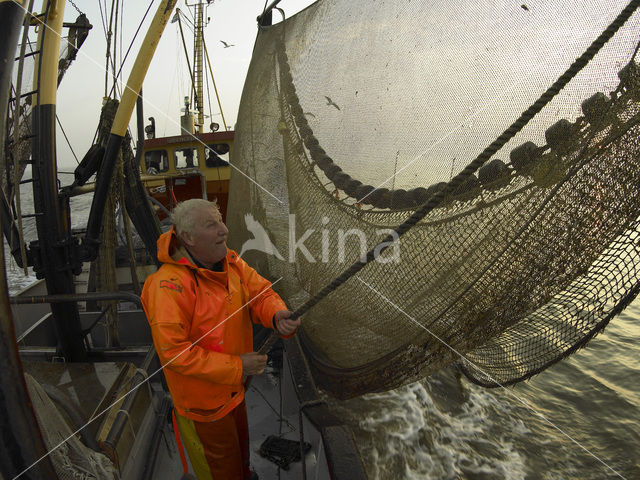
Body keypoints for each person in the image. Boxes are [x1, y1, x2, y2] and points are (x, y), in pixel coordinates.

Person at [141, 199, 300, 480]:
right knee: (219, 472)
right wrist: (238, 366)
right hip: (204, 411)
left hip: (234, 393)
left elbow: (260, 293)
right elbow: (175, 354)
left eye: (221, 220)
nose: (224, 230)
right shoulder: (167, 286)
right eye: (211, 224)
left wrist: (277, 315)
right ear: (188, 238)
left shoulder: (231, 261)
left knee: (238, 459)